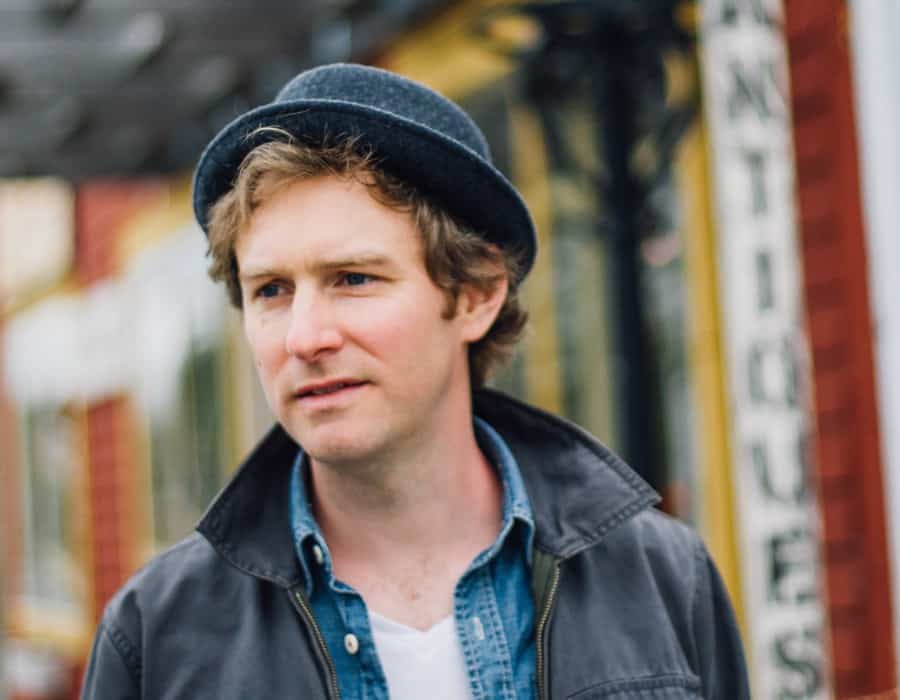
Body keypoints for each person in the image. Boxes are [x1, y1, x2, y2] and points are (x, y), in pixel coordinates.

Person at [81, 63, 749, 699]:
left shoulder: (662, 577)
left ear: (476, 295)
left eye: (354, 279)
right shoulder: (156, 635)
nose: (305, 337)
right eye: (272, 290)